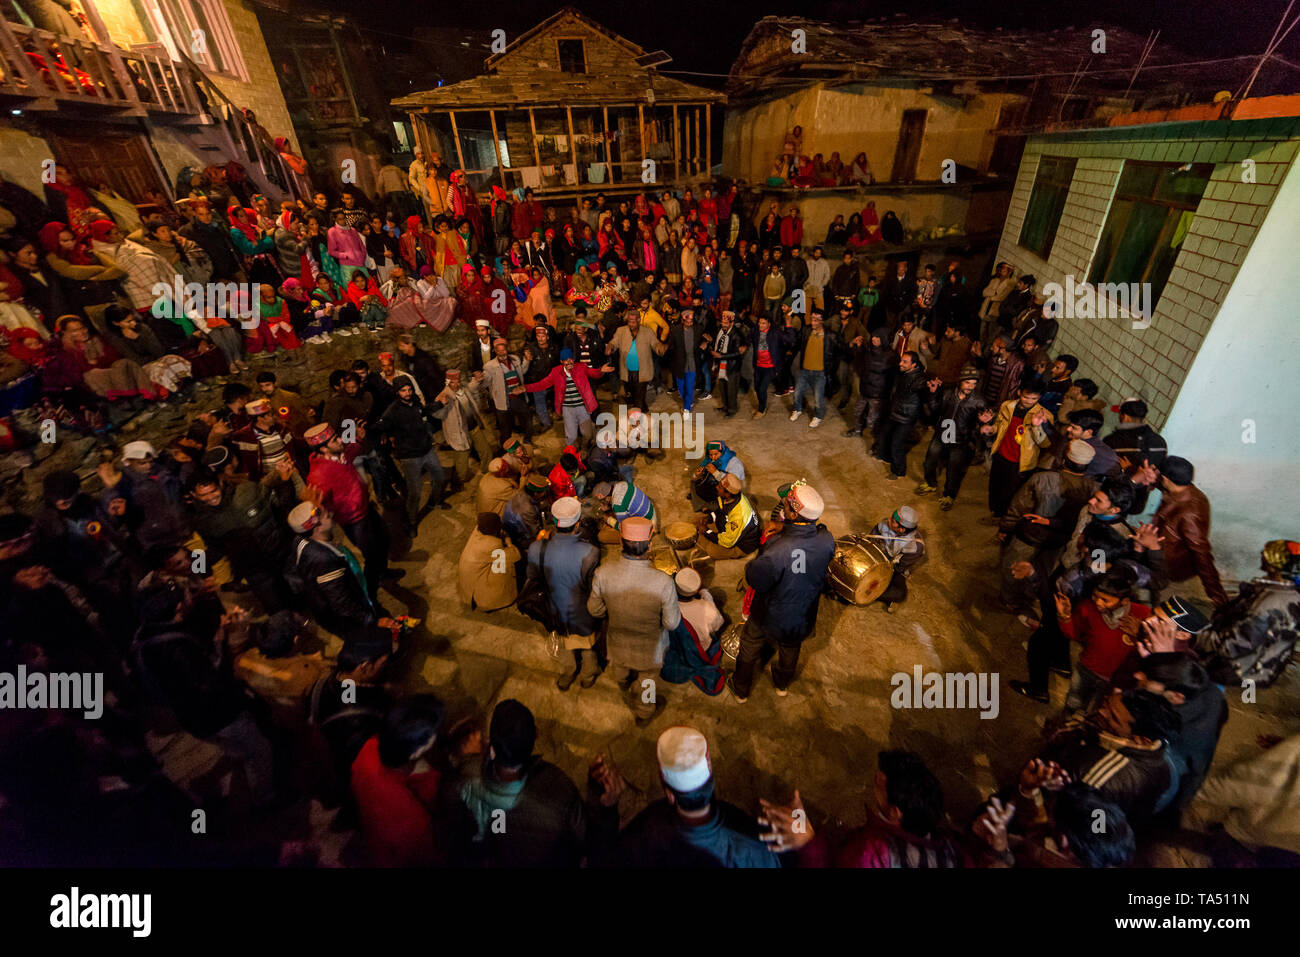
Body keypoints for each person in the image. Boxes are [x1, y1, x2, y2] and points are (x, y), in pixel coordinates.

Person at [606, 726, 818, 867]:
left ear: (670, 795)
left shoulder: (647, 831)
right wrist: (804, 838)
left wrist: (605, 808)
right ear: (711, 780)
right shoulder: (754, 845)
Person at [730, 482, 834, 701]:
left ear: (794, 513)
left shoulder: (777, 548)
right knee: (790, 649)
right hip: (802, 614)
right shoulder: (827, 540)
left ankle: (741, 689)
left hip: (770, 615)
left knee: (749, 645)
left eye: (788, 503)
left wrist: (753, 564)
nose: (784, 504)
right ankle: (781, 684)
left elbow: (756, 580)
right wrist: (784, 529)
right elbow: (806, 550)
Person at [587, 516, 681, 725]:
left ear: (621, 541)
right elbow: (671, 623)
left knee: (620, 669)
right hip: (650, 650)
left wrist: (611, 611)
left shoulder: (603, 574)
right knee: (648, 681)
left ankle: (623, 684)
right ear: (649, 543)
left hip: (618, 646)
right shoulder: (663, 582)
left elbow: (594, 610)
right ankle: (645, 712)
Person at [1042, 688, 1183, 823]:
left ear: (1140, 740)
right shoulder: (1159, 749)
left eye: (1114, 718)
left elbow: (1098, 828)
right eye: (1106, 704)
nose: (1102, 712)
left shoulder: (1103, 783)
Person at [351, 694, 446, 867]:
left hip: (375, 839)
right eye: (434, 734)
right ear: (416, 752)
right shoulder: (413, 819)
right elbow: (425, 856)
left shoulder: (369, 748)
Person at [304, 423, 393, 603]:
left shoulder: (341, 454)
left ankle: (383, 573)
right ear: (323, 448)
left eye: (337, 435)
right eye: (334, 439)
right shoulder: (318, 476)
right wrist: (326, 536)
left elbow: (354, 448)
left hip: (367, 509)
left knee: (384, 539)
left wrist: (359, 437)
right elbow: (316, 507)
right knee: (372, 557)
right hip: (354, 522)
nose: (339, 439)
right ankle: (371, 596)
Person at [836, 750, 965, 867]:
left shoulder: (869, 850)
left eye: (880, 781)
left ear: (895, 812)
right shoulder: (950, 849)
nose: (875, 782)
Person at [528, 497, 602, 690]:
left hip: (554, 610)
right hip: (581, 612)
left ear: (554, 521)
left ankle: (566, 675)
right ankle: (588, 676)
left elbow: (533, 577)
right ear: (578, 523)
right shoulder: (590, 552)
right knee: (587, 646)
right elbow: (592, 585)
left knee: (564, 643)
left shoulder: (537, 549)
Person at [372, 374, 448, 535]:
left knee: (440, 477)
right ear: (397, 392)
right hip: (409, 457)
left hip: (426, 450)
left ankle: (434, 502)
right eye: (403, 391)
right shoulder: (392, 411)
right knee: (415, 492)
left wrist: (439, 404)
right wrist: (369, 431)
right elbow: (381, 425)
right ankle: (412, 521)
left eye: (409, 389)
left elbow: (424, 410)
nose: (407, 393)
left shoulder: (415, 402)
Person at [1153, 456, 1227, 608]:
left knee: (1165, 611)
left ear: (1165, 478)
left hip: (1172, 573)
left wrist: (1216, 594)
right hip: (1163, 563)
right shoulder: (1185, 490)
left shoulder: (1188, 512)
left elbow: (1201, 553)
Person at [916, 366, 992, 509]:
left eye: (974, 383)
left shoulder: (979, 401)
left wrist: (983, 423)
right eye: (967, 382)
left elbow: (984, 424)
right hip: (941, 434)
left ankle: (949, 495)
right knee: (930, 461)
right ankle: (930, 484)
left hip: (960, 440)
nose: (970, 386)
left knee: (954, 469)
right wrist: (933, 394)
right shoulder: (948, 393)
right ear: (960, 381)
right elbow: (935, 410)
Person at [524, 348, 610, 451]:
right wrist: (526, 388)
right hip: (567, 408)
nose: (568, 361)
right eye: (565, 359)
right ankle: (572, 452)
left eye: (570, 359)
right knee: (571, 437)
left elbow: (592, 373)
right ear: (561, 362)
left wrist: (600, 371)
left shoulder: (581, 367)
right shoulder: (556, 372)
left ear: (573, 359)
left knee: (587, 434)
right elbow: (542, 384)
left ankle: (584, 446)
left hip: (582, 406)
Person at [987, 379, 1050, 517]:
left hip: (1020, 462)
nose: (1028, 401)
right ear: (1019, 392)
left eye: (1033, 398)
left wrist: (1036, 426)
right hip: (1001, 454)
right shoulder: (1007, 406)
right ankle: (995, 512)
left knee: (1011, 492)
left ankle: (1003, 517)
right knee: (995, 487)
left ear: (1039, 398)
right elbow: (999, 425)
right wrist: (991, 428)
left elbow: (1045, 444)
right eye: (1026, 397)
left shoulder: (1043, 415)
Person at [871, 351, 934, 480]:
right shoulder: (903, 373)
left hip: (906, 416)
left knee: (897, 443)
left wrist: (932, 391)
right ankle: (886, 457)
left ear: (914, 365)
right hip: (895, 411)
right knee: (885, 435)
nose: (901, 364)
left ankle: (899, 471)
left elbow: (924, 394)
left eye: (905, 362)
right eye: (901, 360)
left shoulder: (920, 379)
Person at [430, 369, 494, 486]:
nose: (457, 384)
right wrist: (442, 404)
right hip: (459, 432)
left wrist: (476, 380)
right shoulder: (443, 396)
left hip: (473, 427)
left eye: (458, 381)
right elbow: (437, 415)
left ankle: (487, 469)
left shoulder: (463, 389)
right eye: (453, 382)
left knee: (485, 451)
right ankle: (462, 478)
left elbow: (471, 387)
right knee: (462, 459)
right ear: (448, 382)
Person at [608, 311, 666, 414]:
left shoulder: (647, 331)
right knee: (632, 394)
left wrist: (660, 347)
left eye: (633, 322)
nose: (631, 324)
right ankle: (642, 408)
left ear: (639, 320)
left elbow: (655, 343)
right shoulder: (621, 331)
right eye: (629, 321)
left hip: (642, 370)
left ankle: (638, 418)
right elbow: (614, 341)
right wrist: (611, 346)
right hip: (626, 370)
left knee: (639, 394)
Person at [788, 310, 836, 428]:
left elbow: (840, 348)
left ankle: (818, 416)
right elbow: (797, 342)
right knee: (797, 393)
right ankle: (797, 409)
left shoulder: (830, 335)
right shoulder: (807, 330)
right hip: (805, 370)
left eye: (816, 319)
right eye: (812, 318)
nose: (813, 321)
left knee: (818, 398)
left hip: (820, 372)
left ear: (822, 321)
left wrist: (852, 344)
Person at [695, 474, 761, 560]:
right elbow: (720, 511)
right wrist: (709, 518)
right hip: (730, 530)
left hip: (743, 545)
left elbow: (728, 541)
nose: (716, 487)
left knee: (711, 550)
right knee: (698, 522)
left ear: (728, 493)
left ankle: (738, 554)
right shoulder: (727, 498)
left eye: (719, 487)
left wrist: (706, 531)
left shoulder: (739, 516)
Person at [709, 310, 746, 417]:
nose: (723, 325)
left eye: (726, 323)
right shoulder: (720, 331)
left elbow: (737, 353)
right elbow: (717, 344)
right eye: (722, 322)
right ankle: (725, 406)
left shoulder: (737, 335)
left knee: (731, 389)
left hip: (732, 366)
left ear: (732, 323)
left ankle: (732, 409)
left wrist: (721, 356)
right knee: (722, 386)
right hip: (721, 365)